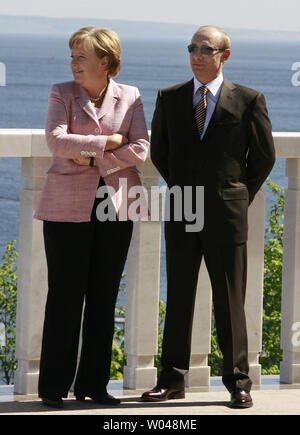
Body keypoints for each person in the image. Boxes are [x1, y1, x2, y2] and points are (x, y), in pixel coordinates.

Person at [141, 26, 275, 408]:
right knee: (179, 297)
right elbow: (161, 153)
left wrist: (235, 194)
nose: (196, 54)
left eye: (205, 48)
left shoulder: (249, 100)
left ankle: (238, 382)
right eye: (192, 48)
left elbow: (263, 157)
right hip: (183, 209)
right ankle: (172, 380)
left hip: (226, 215)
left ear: (224, 55)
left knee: (230, 302)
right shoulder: (170, 99)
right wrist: (186, 189)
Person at [34, 27, 149, 408]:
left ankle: (93, 386)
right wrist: (110, 143)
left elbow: (141, 148)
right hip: (66, 207)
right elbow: (55, 140)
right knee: (64, 297)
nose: (73, 64)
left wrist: (90, 157)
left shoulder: (130, 96)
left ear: (105, 61)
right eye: (72, 57)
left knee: (104, 297)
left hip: (117, 206)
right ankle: (53, 388)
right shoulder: (60, 92)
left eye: (80, 57)